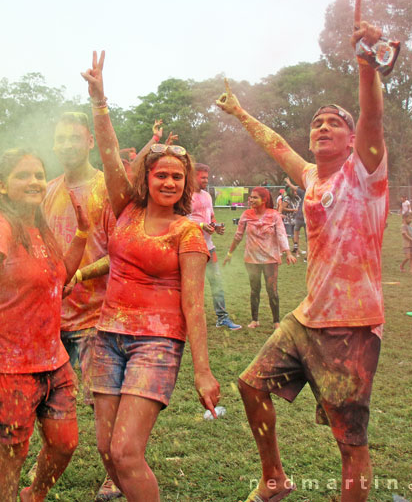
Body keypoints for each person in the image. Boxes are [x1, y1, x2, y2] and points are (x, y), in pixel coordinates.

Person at [217, 0, 389, 502]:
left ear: (353, 137)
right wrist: (242, 112)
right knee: (251, 385)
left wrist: (365, 65)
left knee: (348, 443)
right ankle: (274, 478)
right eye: (316, 122)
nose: (321, 127)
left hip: (351, 327)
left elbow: (373, 116)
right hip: (306, 317)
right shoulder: (313, 178)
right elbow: (275, 145)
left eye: (334, 122)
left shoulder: (367, 174)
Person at [82, 50, 220, 502]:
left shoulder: (189, 232)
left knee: (125, 450)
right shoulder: (127, 208)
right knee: (105, 448)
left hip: (157, 344)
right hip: (107, 337)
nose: (169, 183)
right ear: (148, 177)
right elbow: (107, 156)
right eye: (161, 174)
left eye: (178, 178)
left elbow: (193, 305)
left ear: (187, 185)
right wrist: (100, 102)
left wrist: (202, 372)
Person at [0, 149, 88, 502]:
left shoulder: (39, 227)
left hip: (53, 359)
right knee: (13, 455)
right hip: (7, 366)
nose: (35, 182)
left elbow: (60, 276)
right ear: (2, 186)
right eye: (23, 175)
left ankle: (33, 495)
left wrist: (83, 232)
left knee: (65, 443)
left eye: (39, 175)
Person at [41, 111, 121, 501]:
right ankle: (50, 461)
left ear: (90, 141)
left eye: (75, 138)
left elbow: (122, 251)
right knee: (51, 397)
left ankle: (115, 474)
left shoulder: (107, 188)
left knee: (104, 401)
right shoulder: (48, 189)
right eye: (61, 139)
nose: (68, 145)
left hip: (97, 314)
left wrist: (81, 274)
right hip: (52, 315)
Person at [223, 187, 296, 329]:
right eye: (250, 197)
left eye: (255, 197)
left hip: (270, 259)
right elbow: (238, 236)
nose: (251, 200)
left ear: (264, 200)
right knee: (254, 289)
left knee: (272, 290)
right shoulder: (246, 215)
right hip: (251, 259)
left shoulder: (274, 215)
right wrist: (229, 254)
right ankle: (254, 320)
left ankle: (276, 321)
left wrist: (288, 252)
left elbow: (281, 234)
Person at [189, 162, 242, 330]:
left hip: (208, 246)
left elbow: (210, 216)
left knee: (216, 282)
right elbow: (179, 220)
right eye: (203, 177)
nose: (206, 180)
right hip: (190, 247)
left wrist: (215, 225)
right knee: (192, 285)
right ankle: (190, 319)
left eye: (207, 177)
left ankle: (222, 318)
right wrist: (201, 226)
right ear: (193, 176)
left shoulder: (207, 195)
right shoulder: (184, 195)